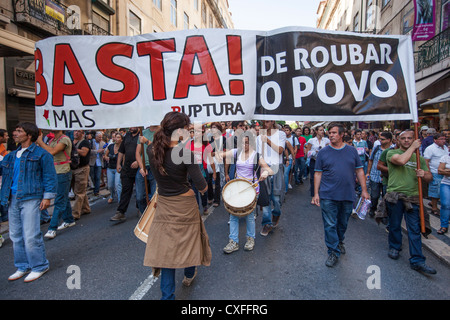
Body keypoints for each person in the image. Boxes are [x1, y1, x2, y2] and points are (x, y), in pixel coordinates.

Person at [144, 112, 211, 300]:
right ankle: (189, 274)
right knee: (190, 241)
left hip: (164, 204)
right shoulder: (185, 153)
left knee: (167, 253)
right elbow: (202, 186)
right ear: (179, 131)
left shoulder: (151, 149)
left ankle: (167, 297)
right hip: (184, 205)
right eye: (188, 129)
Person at [1, 122, 57, 282]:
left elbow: (49, 176)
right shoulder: (10, 156)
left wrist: (47, 197)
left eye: (19, 131)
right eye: (15, 130)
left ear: (29, 135)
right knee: (15, 235)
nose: (14, 133)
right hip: (12, 199)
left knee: (31, 235)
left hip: (31, 198)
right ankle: (22, 266)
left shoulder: (41, 154)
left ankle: (39, 265)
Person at [311, 123, 369, 267]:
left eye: (334, 133)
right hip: (327, 195)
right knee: (330, 224)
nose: (331, 135)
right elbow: (317, 173)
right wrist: (316, 193)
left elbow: (360, 171)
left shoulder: (352, 151)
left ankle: (339, 241)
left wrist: (364, 190)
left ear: (342, 134)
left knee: (342, 223)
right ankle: (333, 251)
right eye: (329, 133)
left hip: (347, 194)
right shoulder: (323, 152)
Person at [385, 129, 436, 275]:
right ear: (398, 140)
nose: (407, 141)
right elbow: (400, 161)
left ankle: (417, 260)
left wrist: (424, 174)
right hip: (395, 195)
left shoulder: (418, 157)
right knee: (394, 225)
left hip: (413, 197)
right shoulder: (391, 153)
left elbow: (429, 177)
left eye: (409, 138)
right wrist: (413, 147)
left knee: (414, 229)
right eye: (404, 138)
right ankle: (395, 247)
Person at [218, 133, 273, 253]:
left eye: (246, 142)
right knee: (233, 215)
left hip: (252, 190)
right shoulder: (236, 152)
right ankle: (233, 242)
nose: (244, 145)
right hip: (237, 189)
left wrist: (265, 173)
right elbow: (221, 155)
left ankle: (250, 239)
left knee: (249, 216)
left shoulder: (256, 156)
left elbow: (270, 169)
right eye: (242, 142)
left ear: (251, 143)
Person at [36, 130, 75, 239]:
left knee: (59, 200)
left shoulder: (64, 139)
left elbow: (52, 152)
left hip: (63, 172)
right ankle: (69, 219)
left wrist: (40, 141)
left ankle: (52, 228)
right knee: (63, 197)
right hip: (54, 172)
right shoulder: (52, 140)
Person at [257, 120, 286, 236]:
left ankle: (276, 213)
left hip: (277, 168)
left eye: (267, 121)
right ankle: (266, 223)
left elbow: (280, 150)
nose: (265, 124)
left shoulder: (280, 134)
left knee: (277, 199)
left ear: (273, 121)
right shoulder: (259, 137)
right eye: (263, 122)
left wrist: (267, 140)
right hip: (265, 167)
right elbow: (259, 155)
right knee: (265, 198)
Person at [110, 127, 140, 222]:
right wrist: (118, 164)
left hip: (139, 168)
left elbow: (146, 151)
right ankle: (121, 212)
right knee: (125, 190)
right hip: (127, 168)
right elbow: (121, 151)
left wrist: (138, 162)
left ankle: (140, 207)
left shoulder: (142, 136)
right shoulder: (127, 136)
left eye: (133, 126)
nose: (131, 128)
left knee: (140, 190)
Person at [366, 131, 393, 217]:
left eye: (383, 139)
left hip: (387, 177)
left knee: (386, 196)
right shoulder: (376, 148)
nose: (380, 141)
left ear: (389, 140)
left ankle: (384, 213)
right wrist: (368, 172)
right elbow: (371, 160)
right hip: (375, 175)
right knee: (374, 195)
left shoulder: (393, 149)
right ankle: (373, 208)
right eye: (380, 139)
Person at [423, 133, 448, 215]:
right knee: (435, 190)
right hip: (435, 171)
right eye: (441, 139)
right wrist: (428, 172)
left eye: (444, 139)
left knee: (441, 190)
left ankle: (433, 203)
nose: (443, 141)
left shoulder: (445, 147)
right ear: (435, 140)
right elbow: (426, 161)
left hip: (445, 172)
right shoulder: (430, 148)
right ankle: (434, 207)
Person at [136, 126, 158, 214]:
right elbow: (137, 152)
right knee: (140, 197)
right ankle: (144, 214)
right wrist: (141, 167)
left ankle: (153, 216)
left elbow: (158, 150)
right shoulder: (143, 133)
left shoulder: (162, 132)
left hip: (155, 167)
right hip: (143, 167)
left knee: (154, 196)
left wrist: (146, 141)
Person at [71, 130, 91, 220]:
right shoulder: (71, 142)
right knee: (80, 191)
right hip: (72, 169)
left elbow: (83, 153)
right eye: (75, 131)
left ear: (82, 134)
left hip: (82, 169)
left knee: (79, 192)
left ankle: (75, 213)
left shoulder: (85, 142)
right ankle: (86, 208)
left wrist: (72, 149)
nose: (76, 133)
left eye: (79, 131)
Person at [305, 125, 330, 198]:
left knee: (323, 178)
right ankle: (313, 195)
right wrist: (314, 152)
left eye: (323, 130)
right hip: (314, 160)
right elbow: (308, 152)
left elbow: (329, 150)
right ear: (316, 131)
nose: (322, 132)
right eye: (321, 130)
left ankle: (322, 193)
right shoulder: (311, 140)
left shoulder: (326, 140)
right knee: (313, 177)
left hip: (324, 161)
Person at [104, 133, 123, 204]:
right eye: (115, 137)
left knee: (118, 184)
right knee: (110, 185)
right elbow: (105, 155)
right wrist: (106, 157)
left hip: (118, 168)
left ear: (121, 139)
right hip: (110, 168)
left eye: (118, 137)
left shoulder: (122, 147)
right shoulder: (111, 146)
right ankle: (112, 196)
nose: (116, 139)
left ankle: (120, 201)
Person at [89, 131, 106, 196]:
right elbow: (88, 151)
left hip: (99, 162)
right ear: (95, 137)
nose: (100, 139)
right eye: (99, 137)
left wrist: (103, 152)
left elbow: (105, 152)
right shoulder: (91, 142)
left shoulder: (103, 143)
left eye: (101, 137)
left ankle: (96, 190)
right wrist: (96, 151)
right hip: (92, 161)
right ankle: (94, 187)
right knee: (92, 176)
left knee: (98, 177)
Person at [437, 153, 450, 234]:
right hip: (446, 184)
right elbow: (439, 171)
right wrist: (444, 171)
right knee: (445, 204)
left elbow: (443, 170)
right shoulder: (445, 157)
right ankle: (444, 225)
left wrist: (446, 170)